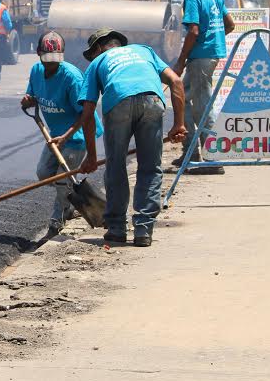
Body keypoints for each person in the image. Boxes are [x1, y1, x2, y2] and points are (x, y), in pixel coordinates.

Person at [76, 28, 187, 248]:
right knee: (150, 167)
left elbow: (87, 113)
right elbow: (176, 82)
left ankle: (117, 228)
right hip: (152, 101)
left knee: (116, 166)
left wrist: (91, 155)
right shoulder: (144, 51)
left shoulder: (97, 63)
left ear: (98, 48)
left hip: (118, 102)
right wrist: (178, 124)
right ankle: (143, 230)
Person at [21, 31, 103, 237]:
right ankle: (69, 203)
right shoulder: (36, 71)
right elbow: (32, 94)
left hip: (79, 135)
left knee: (61, 179)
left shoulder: (71, 78)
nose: (51, 64)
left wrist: (67, 136)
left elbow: (86, 115)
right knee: (43, 173)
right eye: (47, 60)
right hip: (56, 135)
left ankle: (57, 220)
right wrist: (28, 99)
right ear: (38, 53)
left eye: (55, 60)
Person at [168, 0, 235, 173]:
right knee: (181, 99)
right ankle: (190, 152)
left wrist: (180, 61)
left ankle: (213, 159)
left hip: (200, 59)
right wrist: (213, 42)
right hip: (209, 55)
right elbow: (230, 25)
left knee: (203, 107)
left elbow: (193, 31)